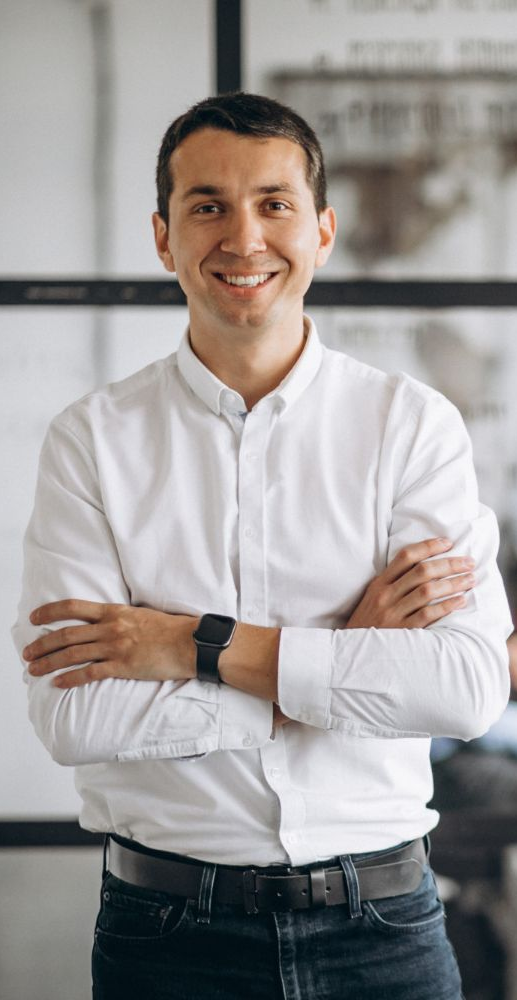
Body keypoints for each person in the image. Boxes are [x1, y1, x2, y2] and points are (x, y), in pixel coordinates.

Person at [12, 92, 512, 1000]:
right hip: (166, 936)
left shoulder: (411, 428)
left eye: (273, 204)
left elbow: (465, 690)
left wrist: (190, 646)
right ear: (162, 237)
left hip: (384, 928)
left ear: (321, 231)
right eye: (207, 205)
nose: (242, 238)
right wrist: (332, 663)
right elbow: (73, 719)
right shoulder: (91, 440)